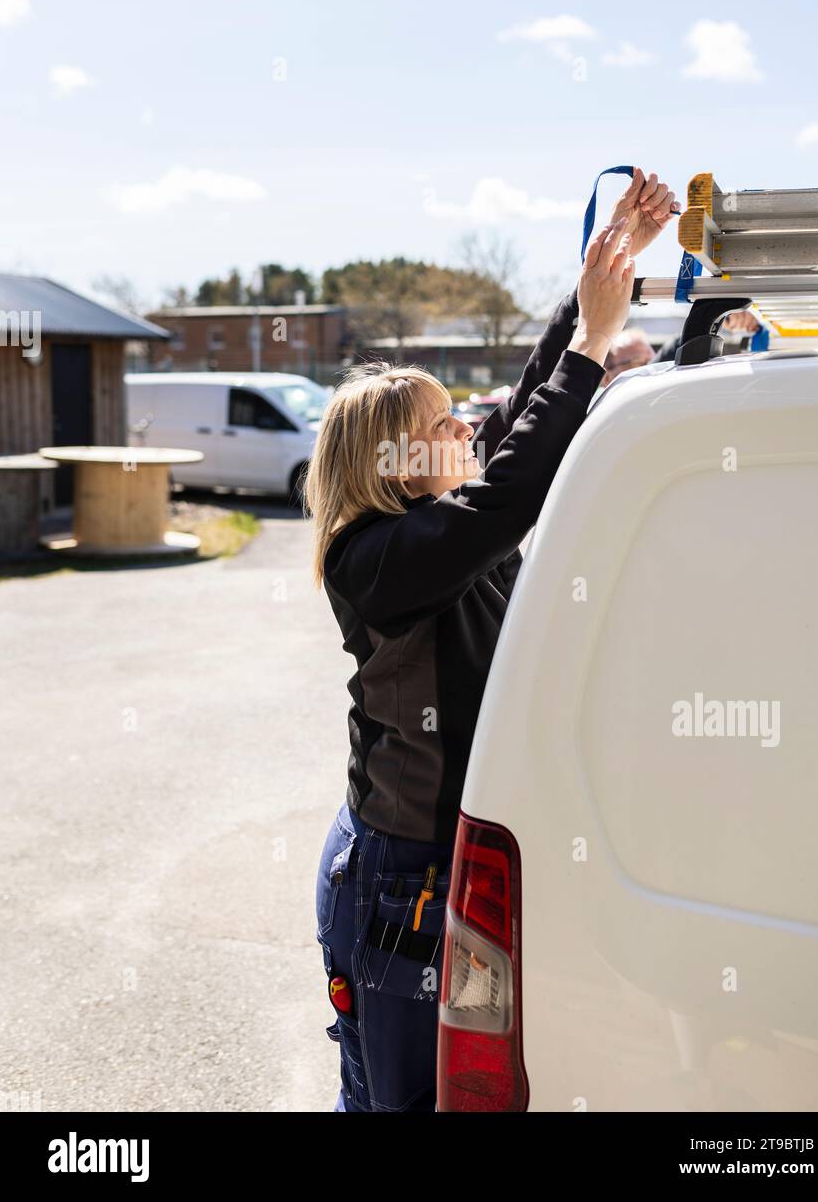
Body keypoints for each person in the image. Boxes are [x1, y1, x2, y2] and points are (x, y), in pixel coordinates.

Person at [304, 167, 678, 1112]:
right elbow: (503, 500)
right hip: (400, 882)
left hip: (428, 872)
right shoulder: (380, 556)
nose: (468, 428)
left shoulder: (433, 522)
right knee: (403, 1102)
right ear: (395, 466)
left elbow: (518, 415)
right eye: (444, 425)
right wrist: (595, 346)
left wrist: (609, 264)